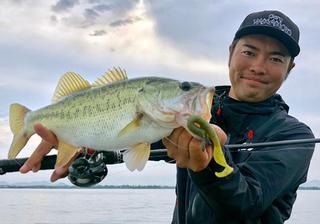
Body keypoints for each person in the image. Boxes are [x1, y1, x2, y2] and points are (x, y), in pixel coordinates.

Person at [20, 10, 314, 223]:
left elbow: (246, 205)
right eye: (249, 51)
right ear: (231, 53)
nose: (258, 66)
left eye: (276, 58)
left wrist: (208, 165)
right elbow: (135, 142)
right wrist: (83, 138)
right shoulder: (181, 119)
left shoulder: (294, 137)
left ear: (289, 70)